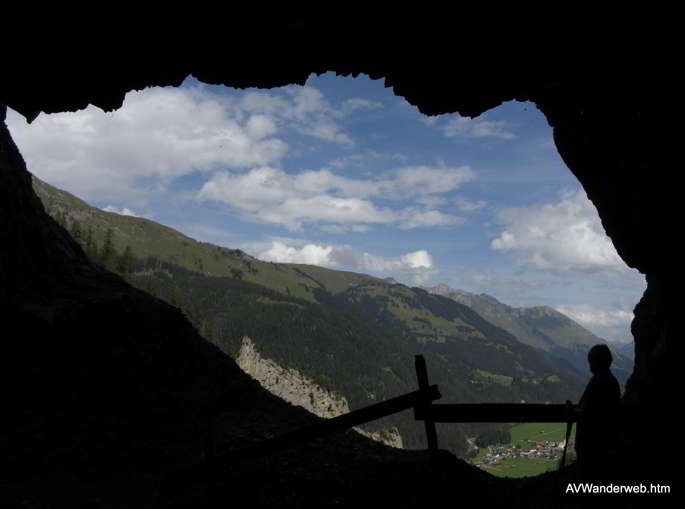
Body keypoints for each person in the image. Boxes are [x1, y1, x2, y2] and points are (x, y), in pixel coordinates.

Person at [575, 344, 621, 482]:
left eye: (591, 362)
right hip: (605, 442)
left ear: (595, 363)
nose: (590, 366)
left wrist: (574, 411)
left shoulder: (597, 382)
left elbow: (587, 411)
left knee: (588, 477)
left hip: (591, 443)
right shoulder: (612, 382)